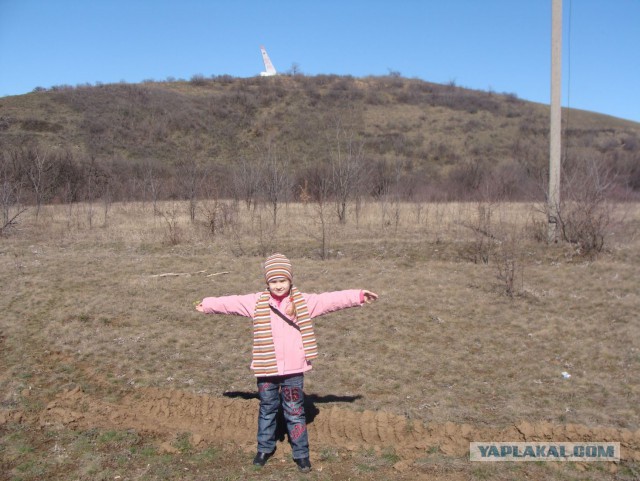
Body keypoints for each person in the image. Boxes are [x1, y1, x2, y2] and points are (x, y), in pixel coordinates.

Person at [196, 253, 378, 473]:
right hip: (266, 368)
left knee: (294, 411)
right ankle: (264, 448)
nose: (278, 285)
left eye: (282, 280)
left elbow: (330, 300)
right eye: (273, 281)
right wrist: (207, 305)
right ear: (267, 282)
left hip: (293, 369)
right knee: (267, 408)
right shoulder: (256, 302)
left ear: (290, 280)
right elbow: (231, 303)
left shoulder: (304, 302)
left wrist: (358, 296)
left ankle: (301, 454)